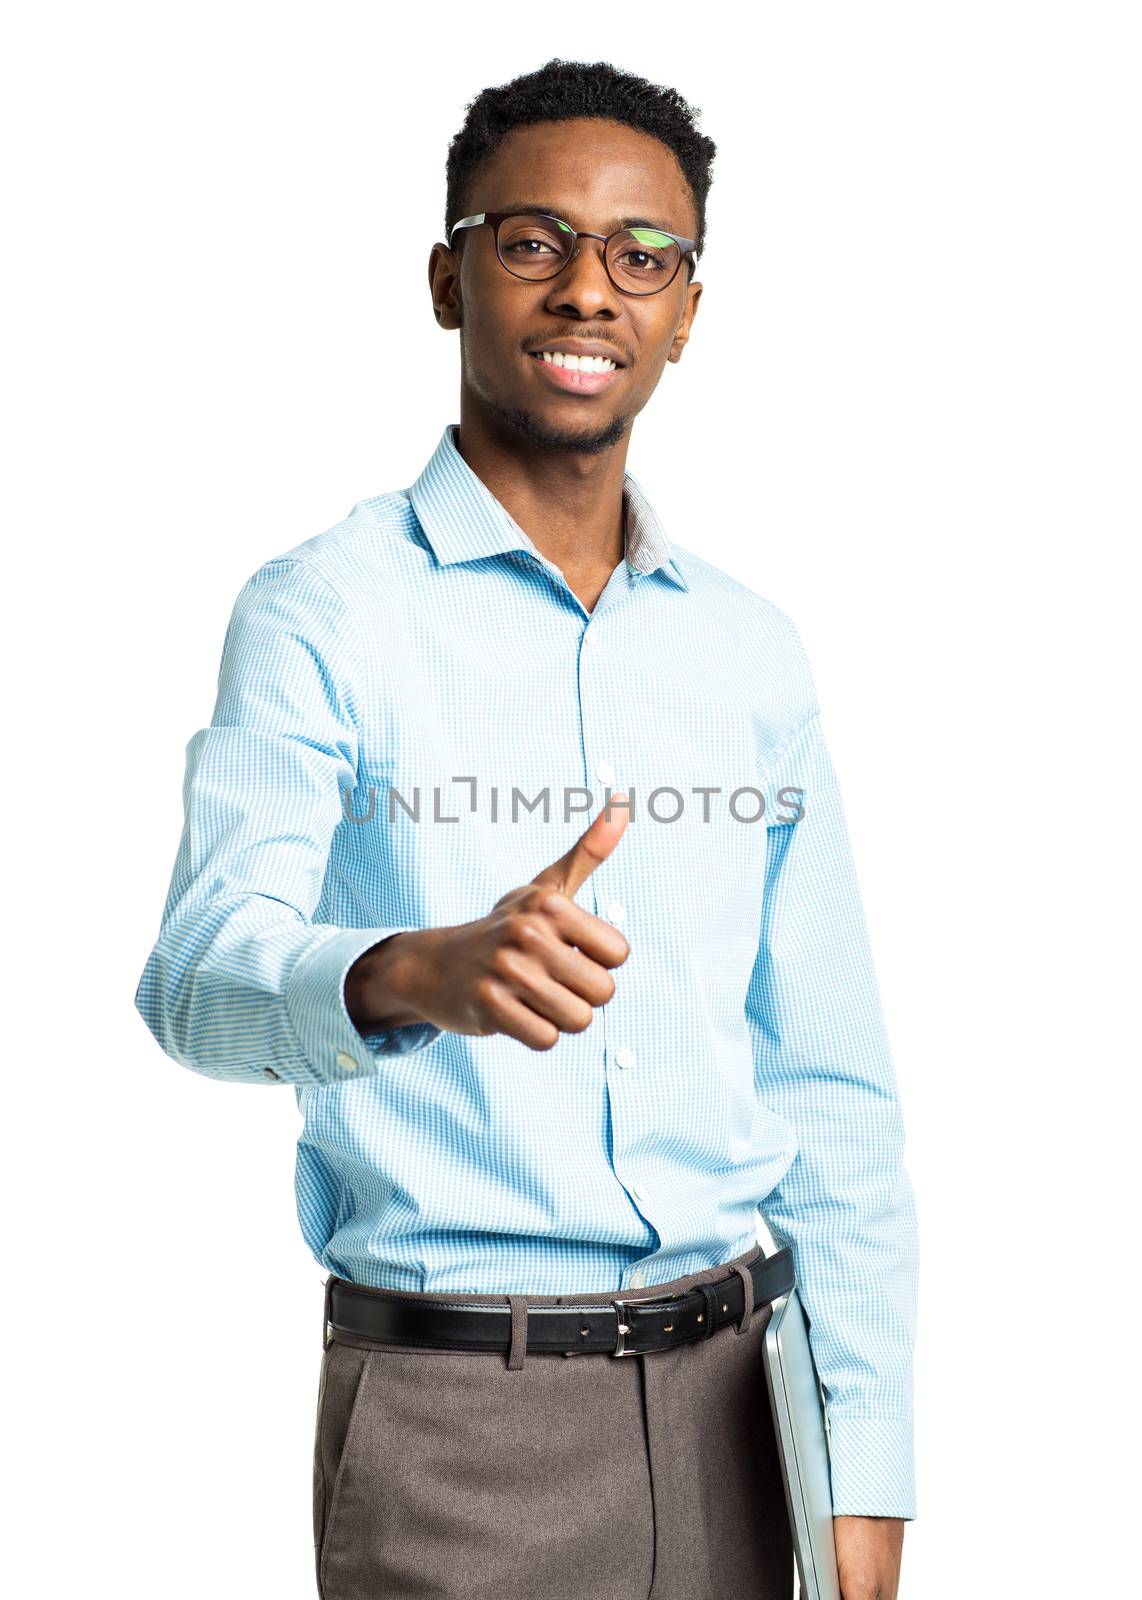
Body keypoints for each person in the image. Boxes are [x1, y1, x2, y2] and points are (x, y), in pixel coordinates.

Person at [134, 57, 918, 1600]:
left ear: (686, 312)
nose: (588, 293)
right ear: (450, 276)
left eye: (644, 256)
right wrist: (414, 974)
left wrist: (865, 1456)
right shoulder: (320, 616)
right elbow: (194, 983)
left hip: (746, 1419)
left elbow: (831, 1084)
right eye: (533, 241)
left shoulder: (748, 650)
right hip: (457, 1432)